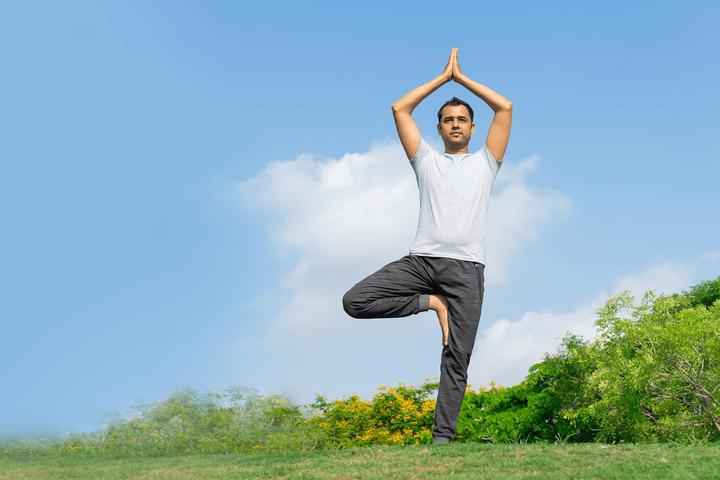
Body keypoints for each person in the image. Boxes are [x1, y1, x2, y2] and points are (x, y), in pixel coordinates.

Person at [342, 48, 512, 445]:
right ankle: (431, 302)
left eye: (462, 120)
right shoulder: (425, 161)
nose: (455, 125)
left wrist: (462, 78)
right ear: (438, 128)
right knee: (355, 301)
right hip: (421, 263)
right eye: (448, 120)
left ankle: (442, 442)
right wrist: (442, 78)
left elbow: (504, 107)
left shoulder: (487, 162)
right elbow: (400, 108)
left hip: (467, 271)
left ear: (472, 128)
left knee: (457, 356)